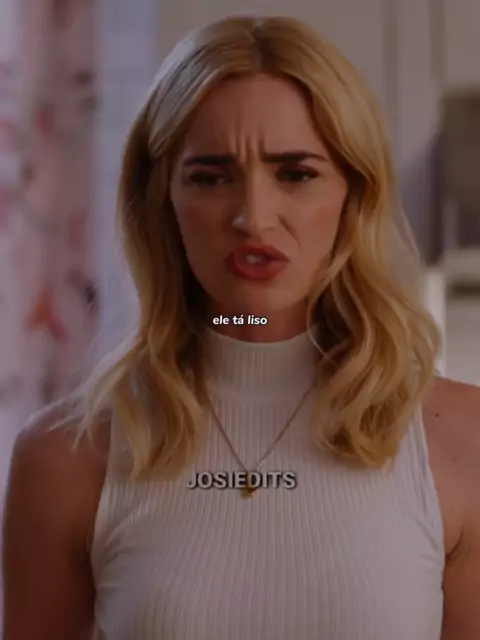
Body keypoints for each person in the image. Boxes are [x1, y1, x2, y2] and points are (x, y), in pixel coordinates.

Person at [2, 13, 480, 640]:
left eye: (296, 173)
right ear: (163, 201)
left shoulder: (464, 443)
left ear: (354, 193)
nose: (254, 218)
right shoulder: (65, 459)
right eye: (211, 176)